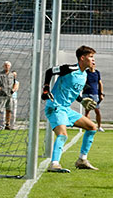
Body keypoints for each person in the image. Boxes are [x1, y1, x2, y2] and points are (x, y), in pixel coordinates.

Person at [42, 45, 100, 173]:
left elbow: (72, 92)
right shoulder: (69, 69)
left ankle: (82, 160)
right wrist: (46, 88)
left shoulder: (84, 74)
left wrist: (81, 100)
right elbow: (49, 71)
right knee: (62, 135)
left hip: (66, 110)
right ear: (82, 58)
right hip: (55, 107)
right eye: (91, 57)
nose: (93, 60)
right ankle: (54, 164)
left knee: (92, 127)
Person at [0, 61, 18, 130]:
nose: (7, 67)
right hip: (1, 95)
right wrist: (0, 89)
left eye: (8, 65)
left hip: (9, 95)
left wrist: (13, 89)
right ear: (3, 66)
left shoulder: (12, 75)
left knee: (9, 109)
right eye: (5, 65)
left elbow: (15, 83)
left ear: (10, 67)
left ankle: (7, 124)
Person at [83, 62, 105, 132]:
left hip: (95, 94)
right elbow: (83, 81)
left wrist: (101, 93)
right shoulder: (85, 72)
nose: (92, 65)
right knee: (87, 111)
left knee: (97, 110)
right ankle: (88, 126)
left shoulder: (97, 73)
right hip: (86, 93)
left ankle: (99, 126)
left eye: (93, 64)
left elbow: (100, 83)